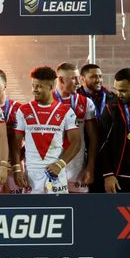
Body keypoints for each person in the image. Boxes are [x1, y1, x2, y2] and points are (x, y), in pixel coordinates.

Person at [13, 66, 81, 194]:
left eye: (39, 86)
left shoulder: (66, 111)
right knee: (31, 214)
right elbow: (16, 143)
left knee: (59, 213)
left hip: (56, 173)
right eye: (33, 85)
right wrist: (17, 170)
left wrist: (60, 164)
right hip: (31, 175)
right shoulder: (23, 110)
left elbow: (76, 142)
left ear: (51, 87)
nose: (34, 90)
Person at [54, 62, 98, 193]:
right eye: (74, 78)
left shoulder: (85, 102)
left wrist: (90, 167)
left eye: (78, 78)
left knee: (79, 209)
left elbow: (94, 137)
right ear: (61, 80)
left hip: (77, 168)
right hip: (52, 166)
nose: (78, 83)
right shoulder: (47, 101)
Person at [0, 68, 25, 194]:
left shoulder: (19, 109)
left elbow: (31, 139)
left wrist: (17, 160)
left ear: (5, 85)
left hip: (14, 165)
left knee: (16, 204)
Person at [76, 63, 109, 193]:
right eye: (94, 76)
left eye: (100, 76)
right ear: (82, 79)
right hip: (81, 156)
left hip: (104, 156)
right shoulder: (74, 99)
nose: (98, 80)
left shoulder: (111, 98)